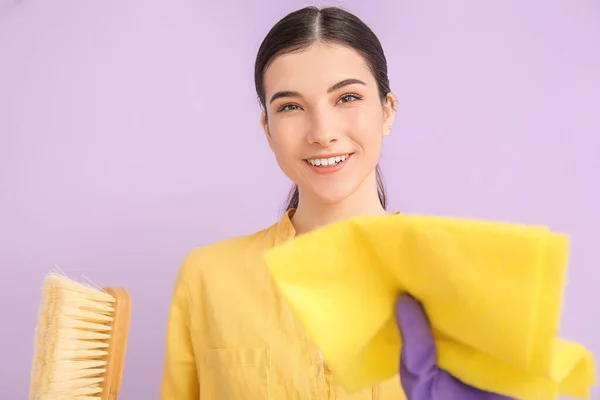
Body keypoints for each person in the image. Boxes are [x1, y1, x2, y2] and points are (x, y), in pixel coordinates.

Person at [160, 6, 513, 400]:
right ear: (268, 129)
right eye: (290, 106)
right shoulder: (208, 278)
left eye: (347, 97)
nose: (322, 133)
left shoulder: (470, 282)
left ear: (387, 111)